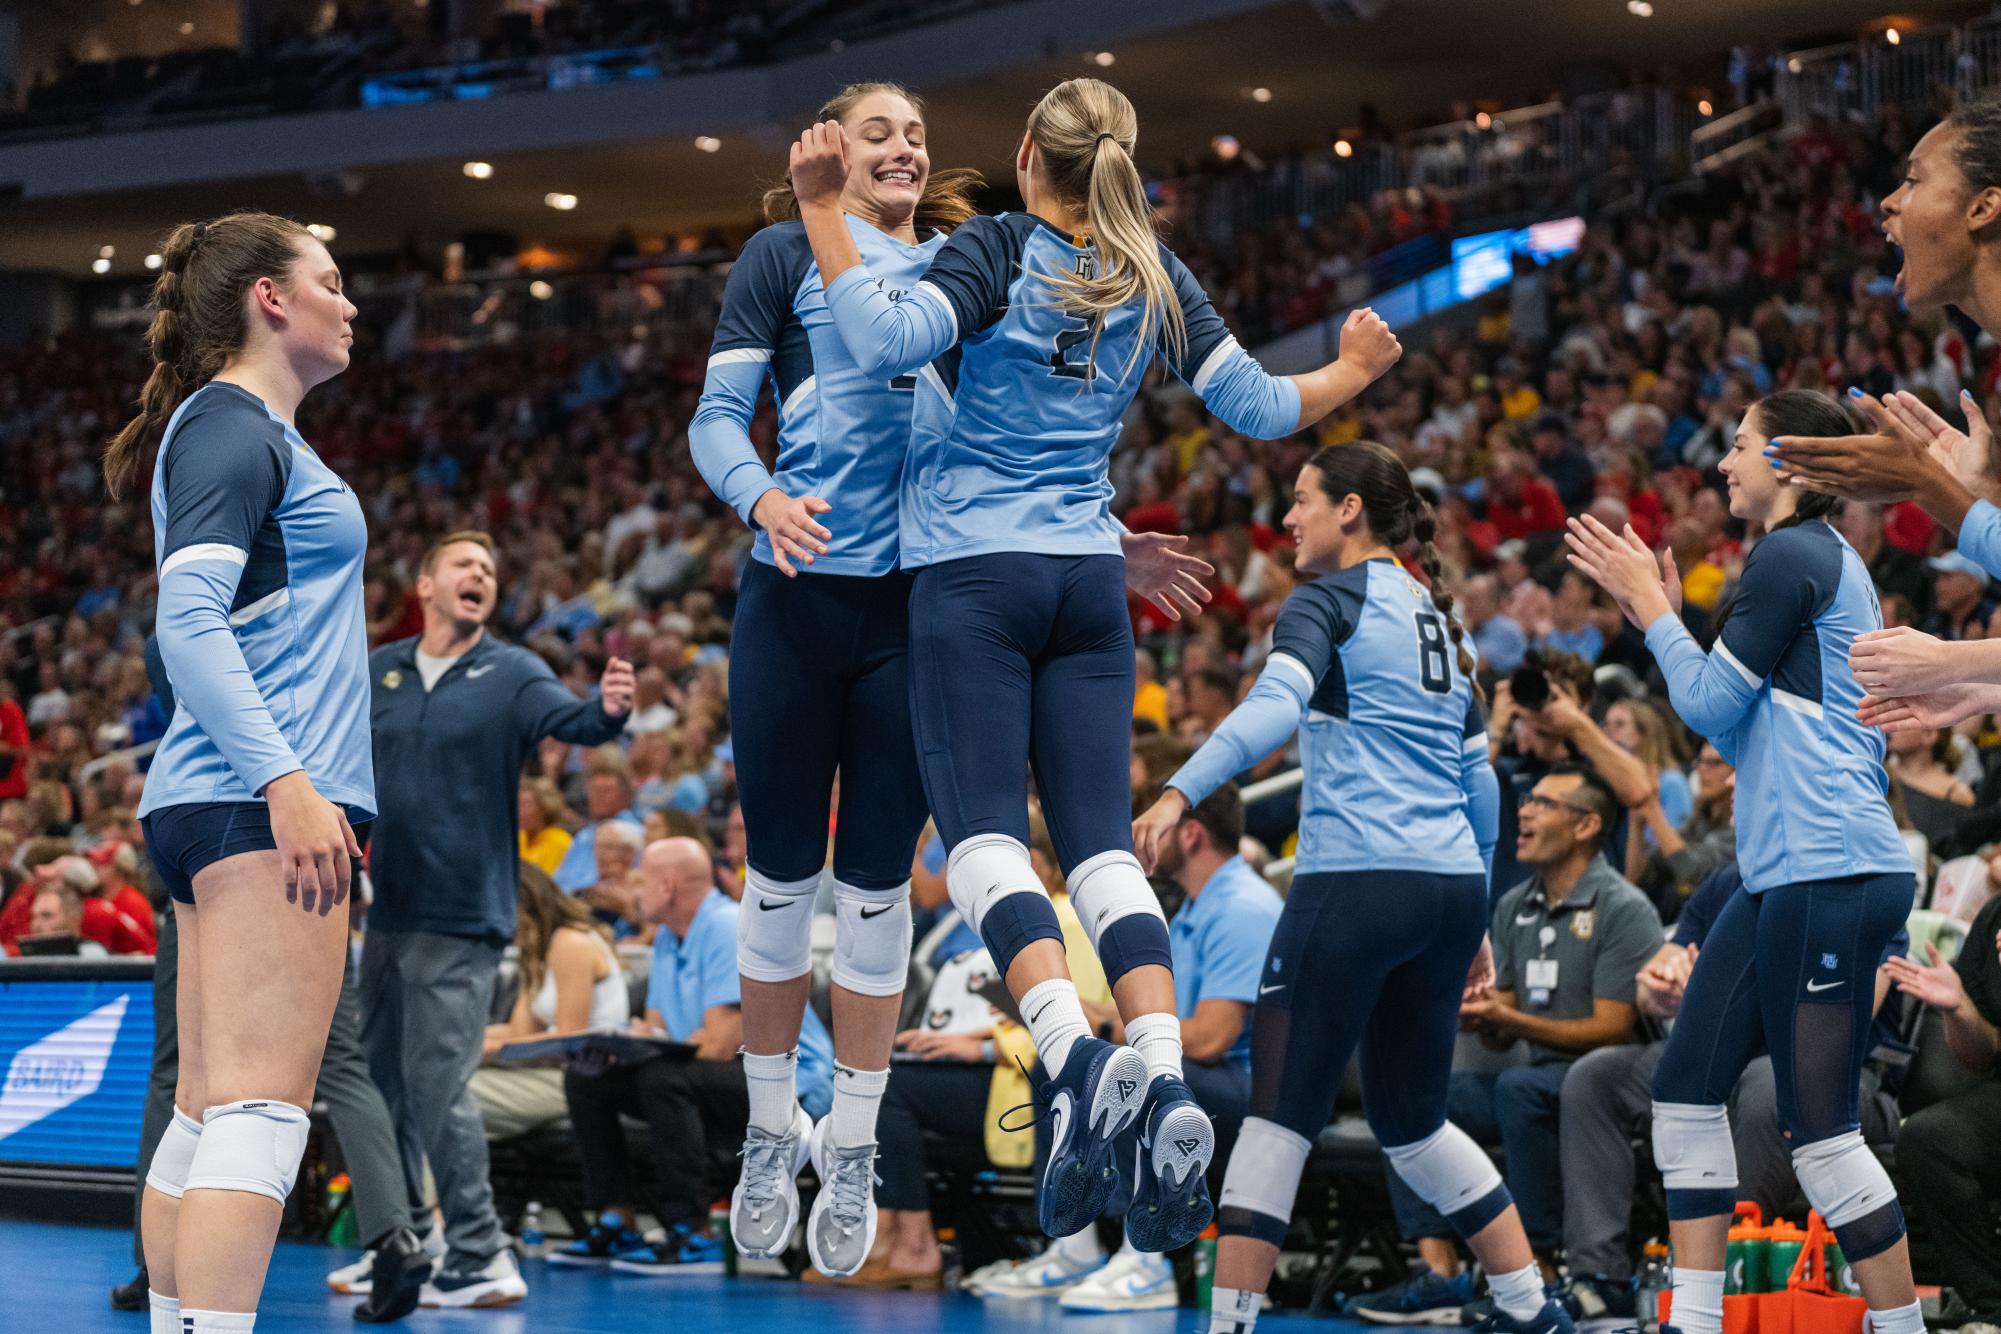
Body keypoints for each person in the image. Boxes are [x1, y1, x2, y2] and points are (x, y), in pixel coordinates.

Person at [788, 75, 1402, 1252]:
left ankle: (1074, 1058)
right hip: (1087, 583)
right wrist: (1356, 373)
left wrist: (823, 206)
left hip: (973, 576)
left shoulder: (1001, 248)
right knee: (1102, 847)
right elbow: (1271, 408)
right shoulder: (1151, 269)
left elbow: (880, 335)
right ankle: (1161, 1069)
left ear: (1025, 154)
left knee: (977, 839)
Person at [695, 79, 1215, 1278]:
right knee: (780, 879)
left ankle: (862, 1143)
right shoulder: (785, 254)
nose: (904, 146)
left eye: (917, 134)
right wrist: (758, 492)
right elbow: (718, 419)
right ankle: (775, 1128)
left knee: (877, 889)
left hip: (915, 606)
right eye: (878, 129)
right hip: (792, 594)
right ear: (831, 145)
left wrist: (1105, 533)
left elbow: (1025, 440)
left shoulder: (965, 266)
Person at [1133, 442, 1574, 1334]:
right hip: (1447, 889)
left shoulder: (1326, 601)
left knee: (1277, 1119)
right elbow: (1480, 782)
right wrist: (1480, 916)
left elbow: (1270, 709)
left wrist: (1180, 785)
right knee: (1411, 1123)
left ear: (1348, 511)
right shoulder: (1444, 622)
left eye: (1300, 501)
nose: (1286, 518)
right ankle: (1532, 1307)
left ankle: (1229, 1326)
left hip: (1356, 882)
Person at [1565, 388, 1924, 1334]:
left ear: (1791, 463)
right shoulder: (1809, 559)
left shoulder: (1792, 553)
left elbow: (1703, 708)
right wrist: (1668, 616)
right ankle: (1691, 1321)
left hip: (1830, 865)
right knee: (1683, 1094)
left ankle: (1900, 1329)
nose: (1722, 462)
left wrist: (1649, 607)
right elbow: (1725, 702)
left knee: (1820, 1135)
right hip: (1787, 870)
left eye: (1737, 446)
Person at [112, 211, 382, 1334]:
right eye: (331, 280)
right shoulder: (232, 426)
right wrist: (290, 778)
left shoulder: (237, 427)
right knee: (264, 1114)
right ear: (272, 299)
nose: (351, 300)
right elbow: (189, 622)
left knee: (207, 1110)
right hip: (255, 799)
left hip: (204, 799)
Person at [361, 527, 632, 1309]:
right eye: (464, 564)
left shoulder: (512, 672)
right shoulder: (379, 671)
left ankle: (481, 1252)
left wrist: (606, 713)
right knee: (380, 1083)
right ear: (425, 585)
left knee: (437, 1086)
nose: (480, 574)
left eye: (489, 567)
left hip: (462, 913)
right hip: (387, 911)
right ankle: (410, 1240)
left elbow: (573, 723)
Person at [1356, 764, 1659, 1323]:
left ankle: (1536, 1272)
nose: (1524, 811)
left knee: (1521, 1089)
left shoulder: (1623, 907)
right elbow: (1506, 1025)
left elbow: (1612, 1026)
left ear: (1587, 825)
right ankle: (1439, 1273)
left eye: (1545, 803)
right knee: (1412, 1098)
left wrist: (1509, 1021)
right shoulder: (1515, 902)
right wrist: (1483, 1019)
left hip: (1607, 1078)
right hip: (1534, 1073)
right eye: (1526, 801)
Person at [1560, 863, 1909, 1321]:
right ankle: (1602, 1279)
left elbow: (1853, 1006)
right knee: (1600, 1078)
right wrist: (1664, 989)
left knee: (1771, 1090)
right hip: (1720, 1051)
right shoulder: (1731, 880)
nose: (1733, 787)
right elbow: (1654, 983)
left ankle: (1741, 1280)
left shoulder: (1852, 873)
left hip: (1834, 1069)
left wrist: (1718, 993)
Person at [553, 838, 833, 1275]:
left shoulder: (725, 926)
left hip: (794, 1084)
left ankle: (693, 1231)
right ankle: (616, 1217)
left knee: (662, 1077)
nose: (633, 891)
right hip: (711, 1074)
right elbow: (656, 1026)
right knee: (589, 1079)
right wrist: (617, 1048)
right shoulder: (668, 937)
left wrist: (645, 1049)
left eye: (640, 880)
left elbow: (720, 1045)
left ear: (667, 886)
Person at [1890, 896, 2001, 1334]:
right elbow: (1984, 1053)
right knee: (1929, 1139)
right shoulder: (1994, 917)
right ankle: (1992, 1305)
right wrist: (1958, 1010)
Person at [469, 864, 630, 1141]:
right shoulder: (540, 948)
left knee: (439, 1095)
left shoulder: (571, 942)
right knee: (436, 1086)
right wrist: (463, 1041)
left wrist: (479, 1051)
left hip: (577, 1078)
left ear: (524, 905)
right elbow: (520, 1030)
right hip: (545, 1071)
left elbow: (568, 1040)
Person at [517, 778, 572, 877]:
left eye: (526, 805)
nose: (520, 812)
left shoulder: (558, 841)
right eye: (518, 805)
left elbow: (543, 883)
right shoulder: (518, 838)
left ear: (545, 808)